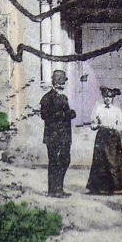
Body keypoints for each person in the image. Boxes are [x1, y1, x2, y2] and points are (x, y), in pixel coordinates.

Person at [39, 69, 76, 197]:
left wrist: (69, 114)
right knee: (54, 161)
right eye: (61, 82)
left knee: (65, 160)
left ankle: (58, 188)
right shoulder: (47, 98)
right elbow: (44, 115)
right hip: (53, 135)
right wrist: (65, 115)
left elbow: (66, 114)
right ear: (56, 83)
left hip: (65, 135)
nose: (63, 85)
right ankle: (53, 190)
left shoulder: (63, 97)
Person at [86, 86, 122, 194]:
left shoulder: (117, 110)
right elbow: (93, 124)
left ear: (113, 98)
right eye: (105, 97)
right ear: (103, 97)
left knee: (113, 161)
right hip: (101, 136)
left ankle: (115, 187)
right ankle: (98, 187)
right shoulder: (98, 108)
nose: (107, 99)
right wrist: (95, 125)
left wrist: (115, 127)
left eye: (110, 97)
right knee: (99, 161)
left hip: (113, 137)